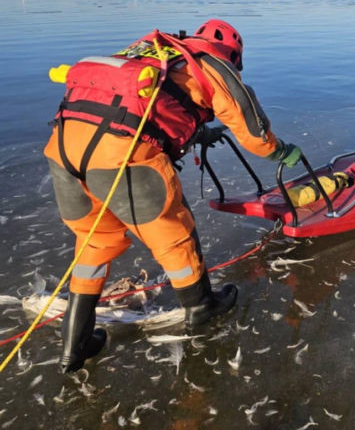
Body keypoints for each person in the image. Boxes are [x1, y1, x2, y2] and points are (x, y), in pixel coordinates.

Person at [44, 19, 301, 373]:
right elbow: (255, 134)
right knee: (173, 233)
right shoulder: (214, 64)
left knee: (95, 243)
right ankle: (201, 307)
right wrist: (281, 151)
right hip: (121, 152)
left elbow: (147, 107)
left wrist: (199, 132)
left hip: (63, 147)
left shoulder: (157, 51)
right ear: (233, 55)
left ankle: (75, 346)